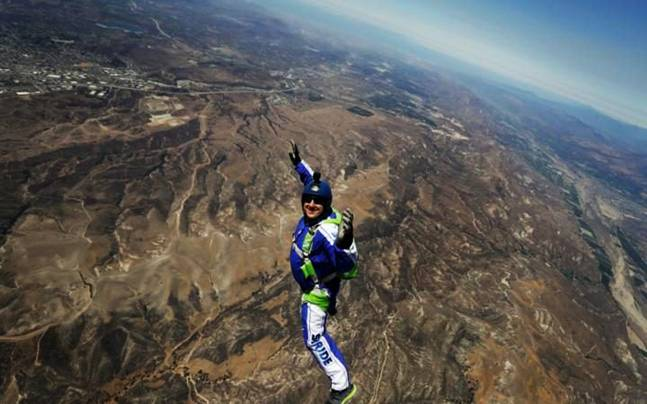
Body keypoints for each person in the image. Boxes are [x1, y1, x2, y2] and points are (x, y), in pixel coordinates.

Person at [288, 141, 359, 404]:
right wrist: (299, 164)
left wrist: (344, 245)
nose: (310, 204)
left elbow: (350, 268)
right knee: (314, 334)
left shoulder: (328, 231)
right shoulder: (316, 211)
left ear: (326, 204)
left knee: (314, 337)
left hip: (317, 292)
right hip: (318, 285)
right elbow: (311, 182)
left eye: (317, 202)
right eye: (307, 200)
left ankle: (342, 387)